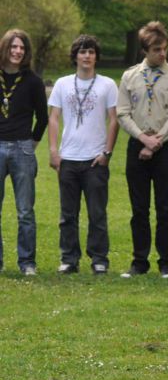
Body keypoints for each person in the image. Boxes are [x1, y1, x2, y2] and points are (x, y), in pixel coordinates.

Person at [116, 21, 168, 278]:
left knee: (165, 207)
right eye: (157, 49)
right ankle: (139, 261)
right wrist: (143, 140)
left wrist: (156, 142)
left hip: (165, 147)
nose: (162, 54)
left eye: (165, 48)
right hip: (137, 146)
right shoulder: (129, 76)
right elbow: (122, 113)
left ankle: (166, 263)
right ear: (145, 49)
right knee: (139, 208)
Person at [47, 35, 119, 275]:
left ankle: (99, 259)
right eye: (82, 51)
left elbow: (114, 120)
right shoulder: (62, 84)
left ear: (96, 56)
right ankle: (69, 259)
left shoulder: (107, 84)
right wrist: (54, 151)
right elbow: (54, 118)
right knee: (68, 214)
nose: (86, 56)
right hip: (68, 158)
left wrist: (107, 152)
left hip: (95, 159)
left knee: (97, 213)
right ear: (75, 56)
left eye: (91, 51)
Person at [0, 29, 48, 275]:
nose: (18, 52)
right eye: (13, 47)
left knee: (25, 211)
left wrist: (32, 144)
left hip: (22, 148)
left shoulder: (33, 81)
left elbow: (43, 118)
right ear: (5, 48)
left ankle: (27, 262)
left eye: (22, 48)